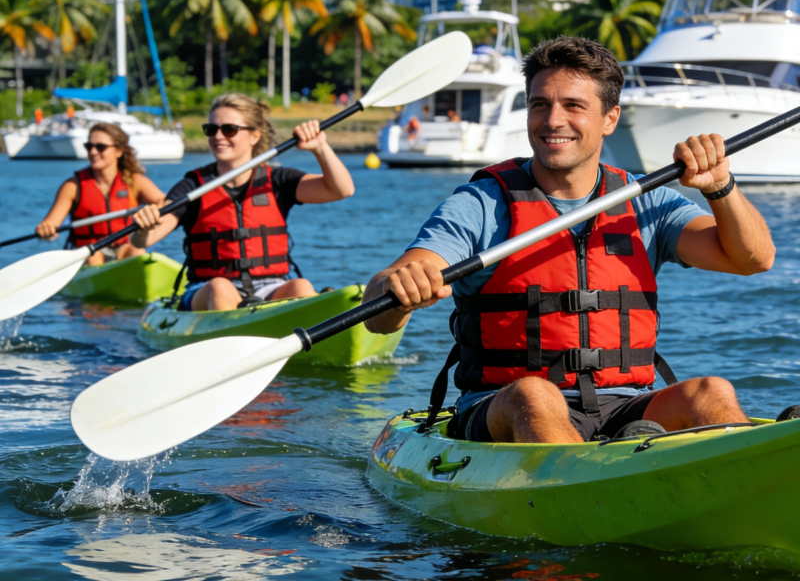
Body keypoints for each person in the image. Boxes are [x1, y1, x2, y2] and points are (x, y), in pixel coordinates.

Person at [363, 37, 777, 444]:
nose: (552, 120)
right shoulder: (481, 204)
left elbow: (752, 259)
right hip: (502, 406)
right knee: (535, 394)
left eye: (573, 106)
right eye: (539, 104)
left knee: (711, 392)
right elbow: (379, 312)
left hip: (625, 405)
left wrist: (720, 186)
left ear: (610, 119)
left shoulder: (646, 202)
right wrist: (398, 288)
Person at [131, 93, 355, 312]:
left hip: (271, 286)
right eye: (211, 129)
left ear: (254, 136)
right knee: (221, 288)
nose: (218, 136)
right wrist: (144, 227)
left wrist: (319, 148)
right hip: (207, 288)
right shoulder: (193, 186)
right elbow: (146, 239)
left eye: (229, 129)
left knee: (302, 286)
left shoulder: (278, 181)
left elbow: (342, 190)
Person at [36, 122, 165, 267]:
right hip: (87, 252)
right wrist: (47, 229)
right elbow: (52, 222)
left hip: (123, 249)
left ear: (119, 151)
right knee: (94, 257)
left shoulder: (134, 181)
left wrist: (156, 209)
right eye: (89, 146)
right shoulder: (72, 186)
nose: (93, 152)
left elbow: (165, 202)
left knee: (136, 251)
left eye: (100, 147)